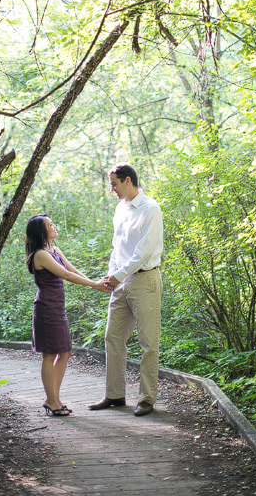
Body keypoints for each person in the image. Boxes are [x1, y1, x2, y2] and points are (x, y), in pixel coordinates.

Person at [89, 163, 163, 417]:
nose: (112, 189)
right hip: (120, 283)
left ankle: (146, 398)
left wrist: (118, 276)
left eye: (114, 184)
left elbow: (143, 252)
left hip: (145, 281)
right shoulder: (120, 209)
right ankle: (115, 394)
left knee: (148, 342)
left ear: (128, 181)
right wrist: (112, 276)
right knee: (113, 337)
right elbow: (117, 247)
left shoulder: (150, 209)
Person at [26, 214, 112, 416]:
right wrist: (94, 284)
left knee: (65, 352)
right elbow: (66, 275)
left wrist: (95, 284)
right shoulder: (40, 255)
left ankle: (54, 397)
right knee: (50, 354)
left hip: (57, 308)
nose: (54, 227)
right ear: (41, 231)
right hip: (46, 309)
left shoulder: (54, 250)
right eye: (50, 225)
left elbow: (72, 269)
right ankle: (51, 400)